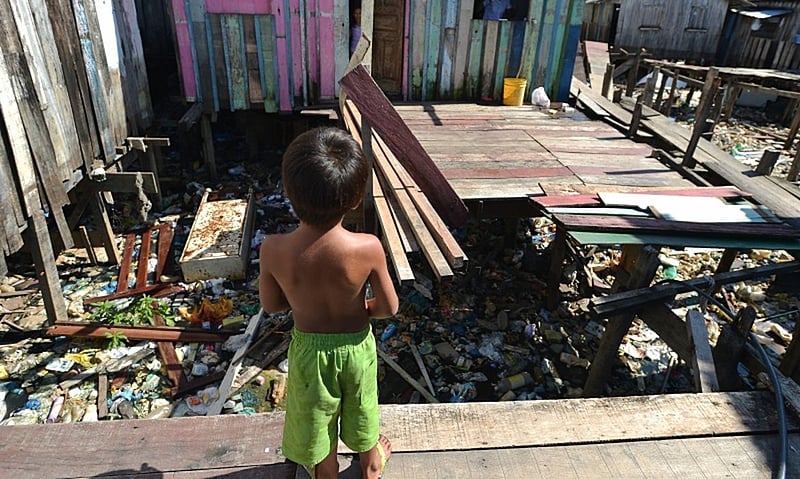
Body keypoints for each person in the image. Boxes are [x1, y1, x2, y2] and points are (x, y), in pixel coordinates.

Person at [259, 126, 398, 479]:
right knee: (363, 406)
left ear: (290, 193)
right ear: (354, 199)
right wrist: (359, 309)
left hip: (309, 353)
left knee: (316, 420)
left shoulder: (274, 249)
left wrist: (305, 301)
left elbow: (272, 305)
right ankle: (370, 465)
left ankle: (327, 471)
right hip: (356, 348)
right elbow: (388, 307)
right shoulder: (367, 248)